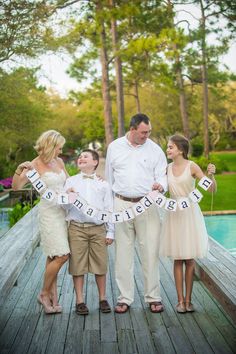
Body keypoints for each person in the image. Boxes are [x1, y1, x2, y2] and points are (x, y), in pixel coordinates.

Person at [105, 113, 168, 313]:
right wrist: (109, 211)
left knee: (150, 252)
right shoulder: (114, 147)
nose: (146, 135)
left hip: (147, 205)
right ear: (132, 129)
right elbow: (108, 179)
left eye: (149, 131)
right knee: (123, 254)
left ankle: (153, 298)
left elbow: (163, 175)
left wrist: (161, 186)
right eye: (143, 132)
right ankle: (124, 298)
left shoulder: (155, 149)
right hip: (121, 204)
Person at [12, 130, 70, 314]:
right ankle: (44, 294)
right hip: (49, 214)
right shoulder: (34, 165)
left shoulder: (59, 161)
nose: (61, 151)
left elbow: (68, 183)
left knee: (53, 255)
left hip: (64, 212)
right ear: (50, 146)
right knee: (62, 255)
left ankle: (53, 297)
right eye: (59, 147)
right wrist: (18, 170)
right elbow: (16, 187)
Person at [160, 134, 216, 313]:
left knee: (189, 258)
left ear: (181, 150)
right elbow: (160, 189)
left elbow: (211, 188)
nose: (168, 149)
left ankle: (189, 301)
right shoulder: (166, 168)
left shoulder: (191, 166)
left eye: (170, 147)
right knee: (177, 258)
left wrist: (211, 176)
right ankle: (180, 301)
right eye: (168, 147)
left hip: (189, 213)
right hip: (174, 213)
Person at [64, 149, 114, 315]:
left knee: (100, 264)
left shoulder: (103, 184)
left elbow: (109, 208)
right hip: (77, 228)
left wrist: (110, 232)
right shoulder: (70, 181)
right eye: (79, 157)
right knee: (77, 265)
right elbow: (64, 207)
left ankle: (102, 298)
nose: (81, 158)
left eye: (85, 156)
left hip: (98, 229)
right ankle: (79, 300)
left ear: (95, 162)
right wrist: (67, 196)